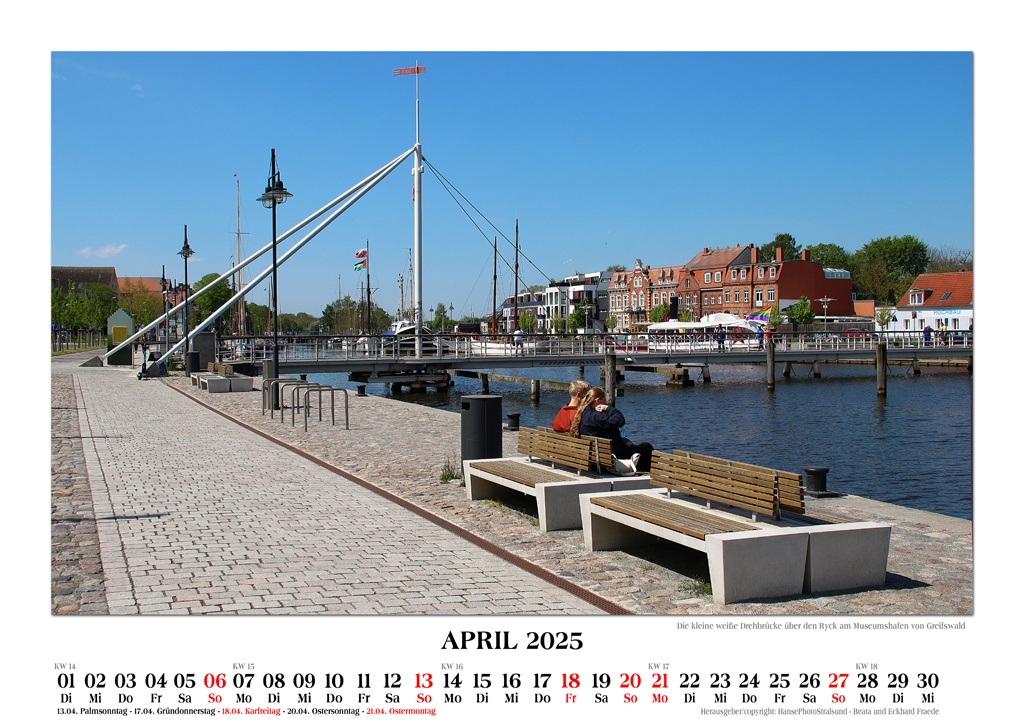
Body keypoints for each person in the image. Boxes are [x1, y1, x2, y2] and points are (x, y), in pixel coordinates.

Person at [569, 387, 654, 473]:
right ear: (598, 400)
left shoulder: (583, 413)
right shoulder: (596, 416)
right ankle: (647, 473)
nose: (605, 402)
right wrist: (608, 408)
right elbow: (620, 420)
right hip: (610, 459)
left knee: (638, 447)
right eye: (604, 400)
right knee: (646, 447)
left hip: (595, 458)